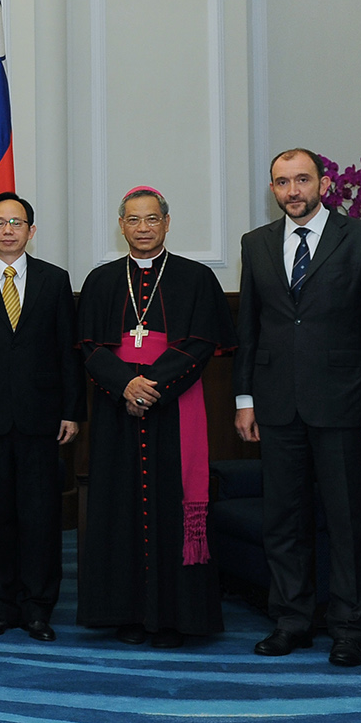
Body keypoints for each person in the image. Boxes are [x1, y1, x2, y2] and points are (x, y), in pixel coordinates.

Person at [235, 148, 361, 668]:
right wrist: (244, 399)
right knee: (283, 520)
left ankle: (349, 628)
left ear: (324, 185)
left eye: (302, 180)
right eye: (282, 182)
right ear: (273, 189)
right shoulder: (256, 244)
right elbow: (249, 329)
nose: (293, 191)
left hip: (345, 405)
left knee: (345, 520)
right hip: (277, 405)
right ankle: (292, 621)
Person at [75, 187, 236, 648]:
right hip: (115, 407)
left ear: (167, 223)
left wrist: (152, 389)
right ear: (121, 225)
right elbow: (90, 346)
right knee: (119, 506)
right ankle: (125, 612)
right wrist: (125, 384)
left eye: (151, 219)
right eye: (133, 220)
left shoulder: (195, 277)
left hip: (175, 406)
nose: (142, 228)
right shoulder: (103, 280)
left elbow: (202, 342)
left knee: (173, 503)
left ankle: (176, 616)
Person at [0, 193, 84, 642]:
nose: (8, 229)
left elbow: (69, 351)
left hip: (42, 418)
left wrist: (71, 410)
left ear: (31, 231)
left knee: (40, 515)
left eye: (17, 222)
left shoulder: (54, 280)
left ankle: (38, 606)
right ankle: (0, 604)